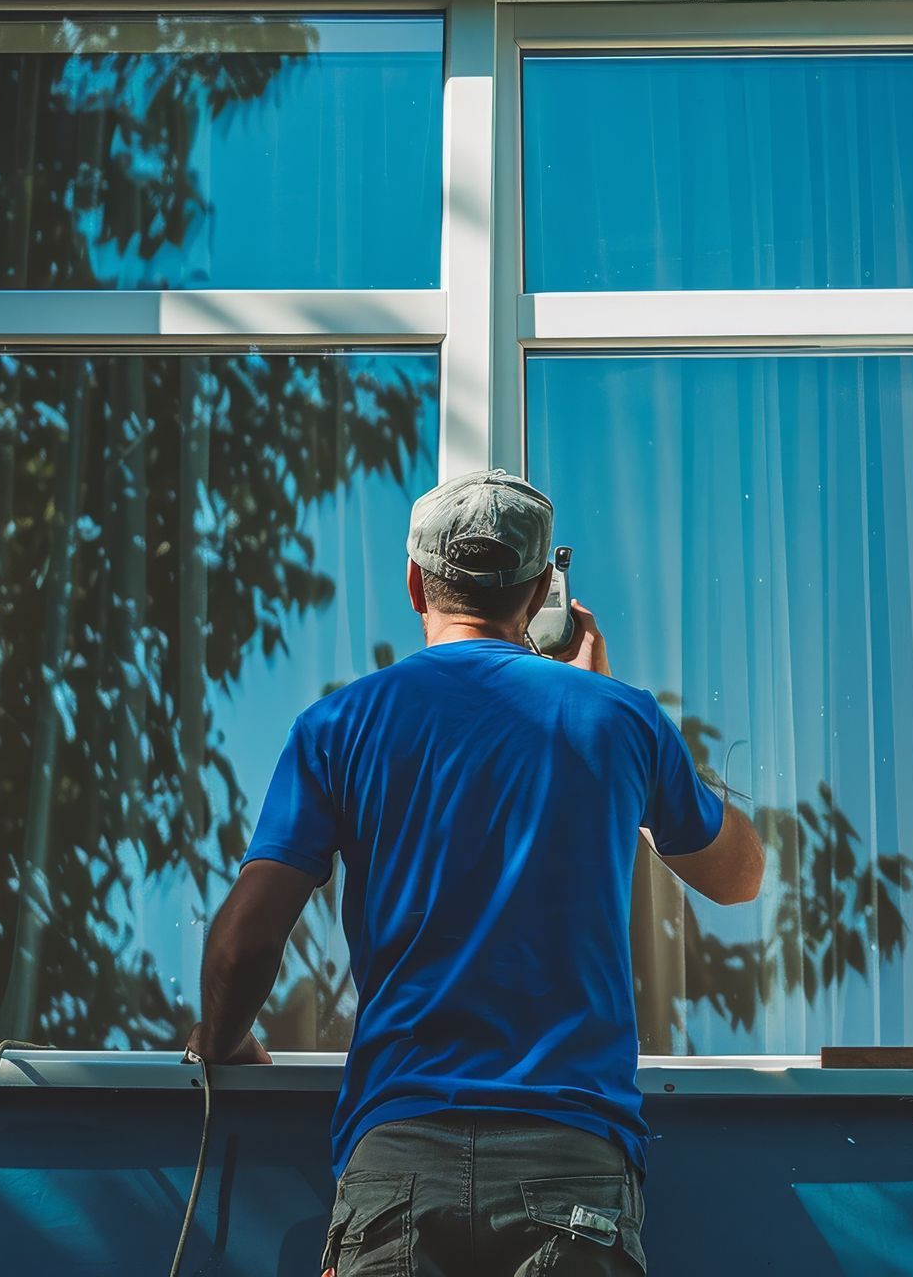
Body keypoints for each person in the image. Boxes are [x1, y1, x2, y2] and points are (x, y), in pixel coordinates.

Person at [186, 469, 765, 1276]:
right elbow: (740, 876)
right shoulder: (616, 718)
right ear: (538, 594)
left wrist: (225, 1042)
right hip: (572, 1163)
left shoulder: (338, 724)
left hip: (397, 1165)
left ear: (416, 581)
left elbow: (242, 945)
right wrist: (602, 713)